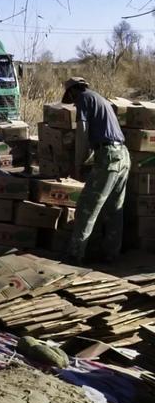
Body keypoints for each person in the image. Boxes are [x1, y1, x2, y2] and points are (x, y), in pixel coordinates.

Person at [61, 77, 130, 264]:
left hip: (109, 157)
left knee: (87, 205)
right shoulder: (99, 99)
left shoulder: (83, 98)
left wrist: (77, 164)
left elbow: (82, 132)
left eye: (71, 99)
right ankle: (111, 254)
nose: (73, 103)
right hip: (123, 155)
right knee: (114, 208)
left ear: (73, 92)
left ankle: (75, 254)